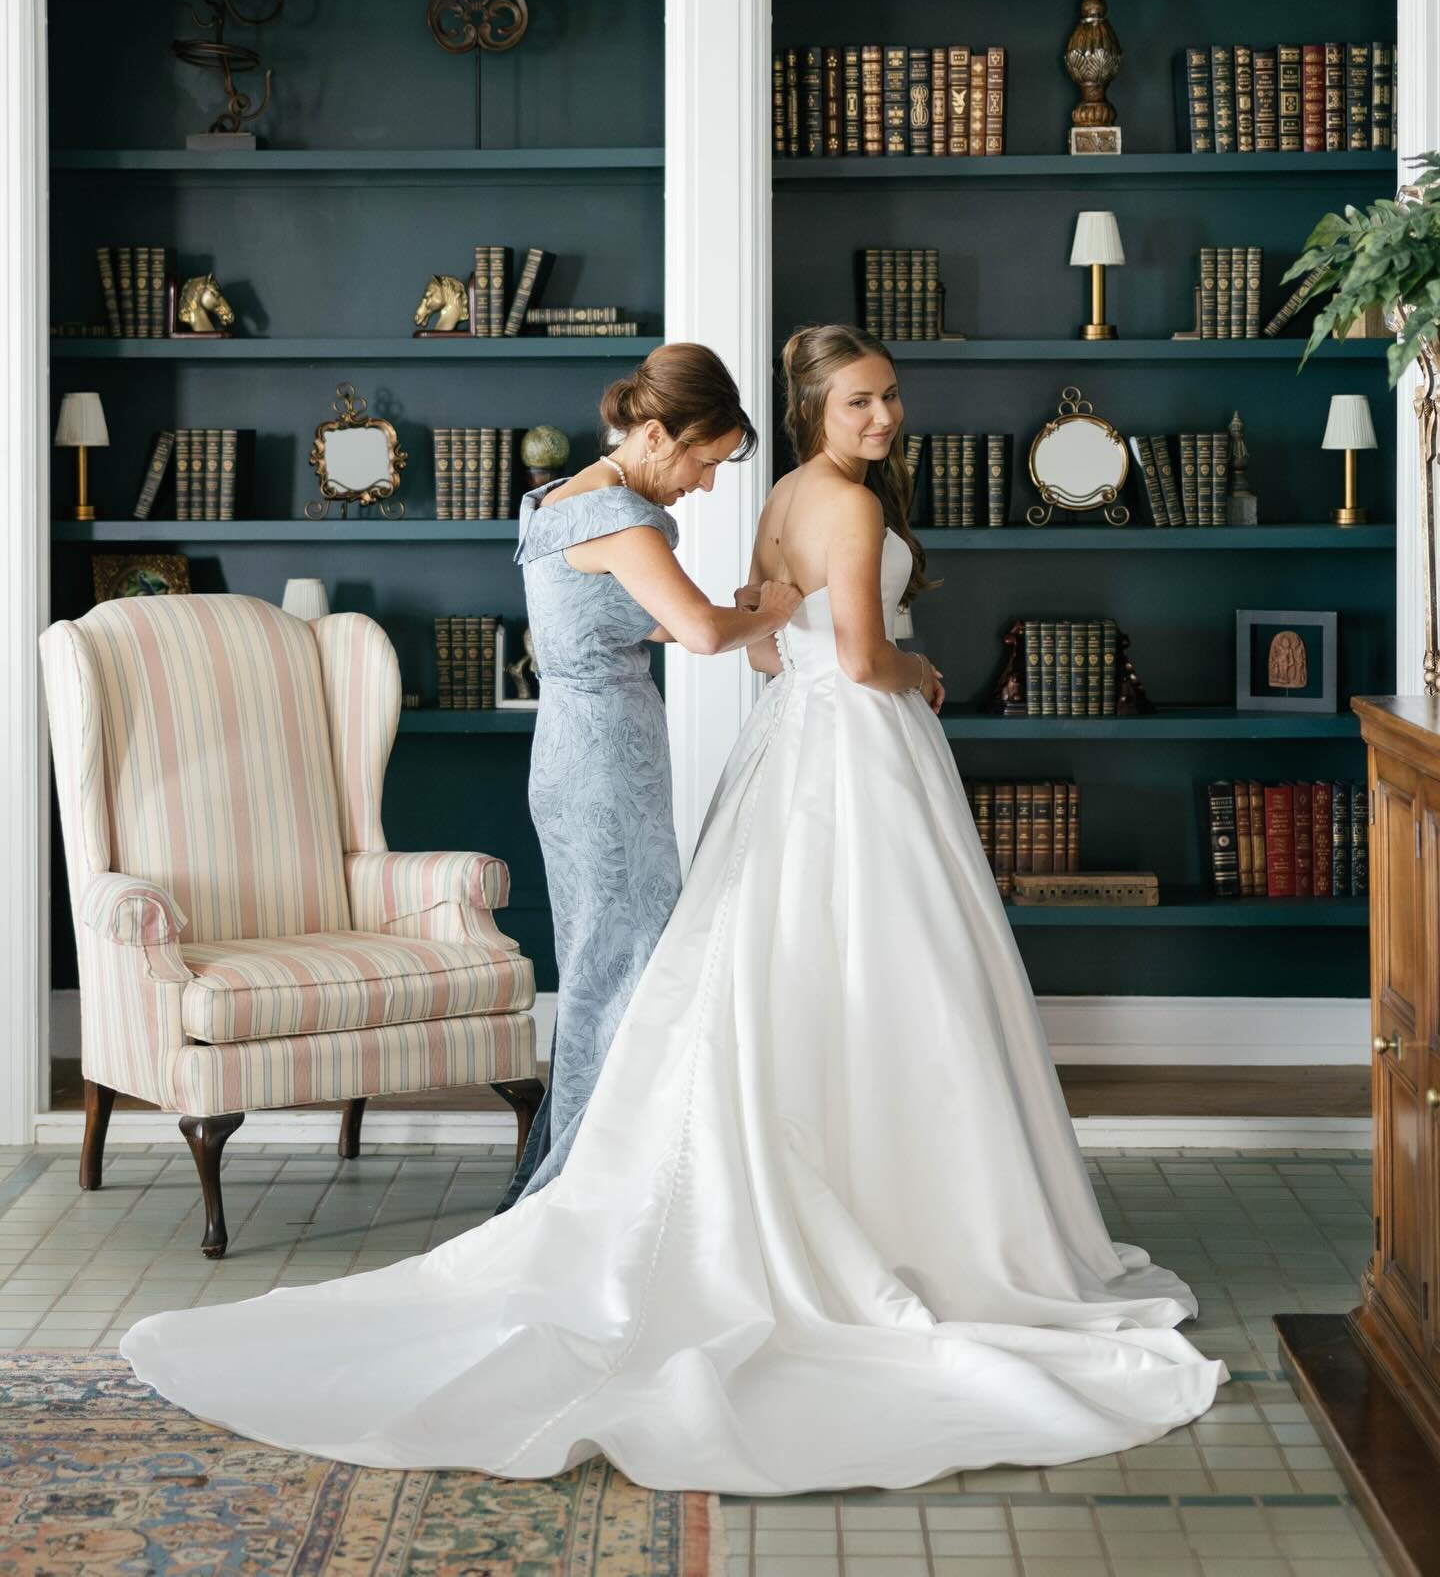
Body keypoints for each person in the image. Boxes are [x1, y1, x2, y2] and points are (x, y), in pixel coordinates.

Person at [120, 322, 1226, 1493]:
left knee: (684, 973)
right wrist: (917, 668)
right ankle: (581, 1187)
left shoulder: (612, 500)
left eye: (890, 397)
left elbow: (759, 651)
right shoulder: (698, 512)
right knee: (664, 975)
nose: (882, 417)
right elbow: (794, 647)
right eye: (859, 400)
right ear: (671, 431)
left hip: (701, 746)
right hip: (665, 757)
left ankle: (591, 1180)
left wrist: (774, 615)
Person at [494, 342, 800, 1212]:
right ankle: (593, 1173)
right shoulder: (622, 521)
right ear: (657, 434)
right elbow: (697, 634)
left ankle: (593, 1156)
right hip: (602, 758)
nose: (706, 483)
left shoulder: (561, 500)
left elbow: (649, 620)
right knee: (624, 959)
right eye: (704, 461)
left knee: (604, 957)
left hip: (574, 749)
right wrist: (776, 607)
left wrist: (737, 616)